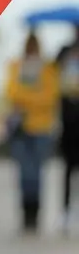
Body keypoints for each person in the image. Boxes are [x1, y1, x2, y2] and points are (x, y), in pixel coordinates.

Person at [5, 31, 59, 234]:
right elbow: (10, 92)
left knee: (36, 173)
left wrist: (26, 98)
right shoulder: (16, 66)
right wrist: (32, 96)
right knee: (23, 173)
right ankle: (25, 213)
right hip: (21, 128)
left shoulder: (47, 69)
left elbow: (50, 97)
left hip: (41, 128)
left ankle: (35, 214)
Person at [55, 28, 79, 234]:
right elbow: (52, 71)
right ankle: (65, 211)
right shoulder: (64, 51)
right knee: (68, 170)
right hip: (68, 124)